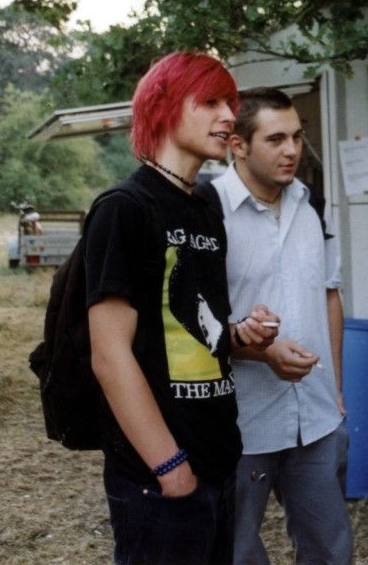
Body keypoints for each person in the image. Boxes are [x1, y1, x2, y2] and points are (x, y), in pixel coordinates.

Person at [86, 51, 279, 565]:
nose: (229, 116)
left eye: (230, 103)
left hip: (218, 459)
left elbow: (191, 332)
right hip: (160, 477)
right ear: (166, 105)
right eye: (211, 102)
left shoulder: (204, 209)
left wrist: (241, 333)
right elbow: (110, 356)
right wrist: (170, 467)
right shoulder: (124, 209)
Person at [203, 87, 352, 565]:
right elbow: (191, 322)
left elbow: (329, 293)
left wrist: (336, 389)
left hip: (316, 417)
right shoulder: (206, 211)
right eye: (275, 139)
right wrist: (260, 351)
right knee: (236, 552)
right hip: (241, 422)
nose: (292, 151)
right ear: (238, 145)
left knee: (330, 551)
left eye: (297, 137)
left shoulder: (312, 205)